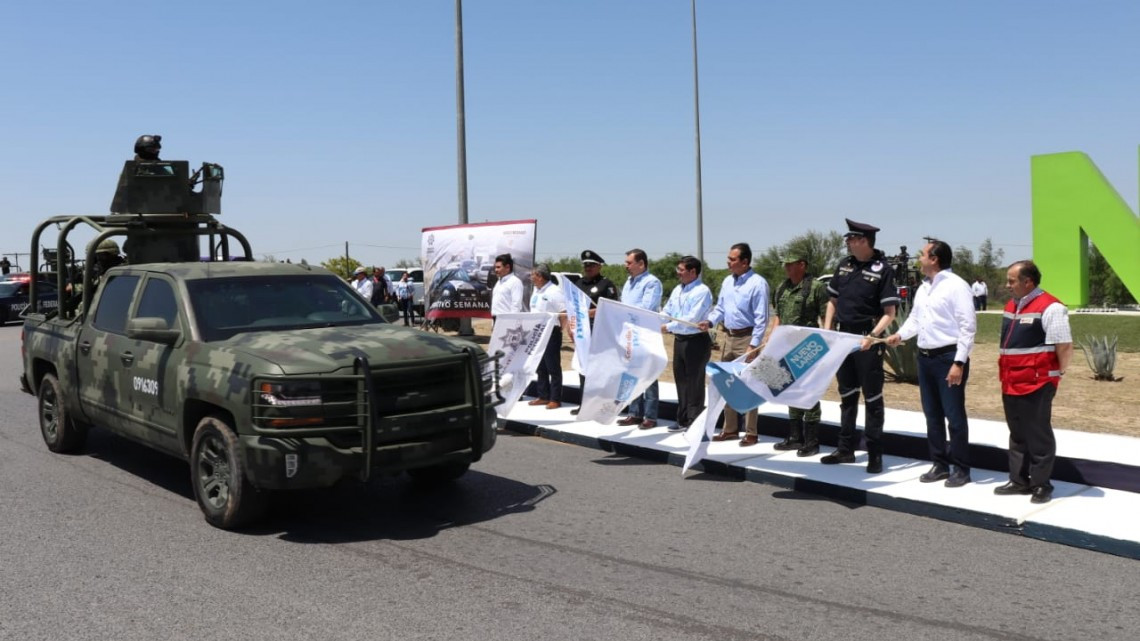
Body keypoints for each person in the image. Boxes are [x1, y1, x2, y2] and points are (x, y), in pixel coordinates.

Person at [886, 239, 976, 487]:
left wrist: (959, 362)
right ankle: (939, 464)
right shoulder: (924, 287)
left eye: (923, 254)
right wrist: (900, 335)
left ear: (934, 259)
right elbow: (915, 319)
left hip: (948, 357)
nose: (919, 258)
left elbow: (968, 327)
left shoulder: (957, 286)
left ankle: (961, 468)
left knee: (954, 416)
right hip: (925, 358)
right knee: (932, 415)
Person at [821, 219, 899, 472]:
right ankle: (845, 449)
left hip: (868, 340)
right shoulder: (844, 265)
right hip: (842, 339)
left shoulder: (883, 269)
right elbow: (833, 300)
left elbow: (890, 312)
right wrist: (828, 328)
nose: (847, 242)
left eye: (851, 238)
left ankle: (875, 453)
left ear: (863, 241)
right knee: (847, 394)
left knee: (873, 397)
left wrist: (872, 336)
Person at [994, 260, 1073, 504]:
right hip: (1011, 381)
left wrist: (1057, 374)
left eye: (1011, 280)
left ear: (1028, 282)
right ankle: (1019, 481)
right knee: (1017, 434)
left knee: (1038, 435)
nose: (1007, 285)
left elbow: (1064, 345)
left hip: (1037, 383)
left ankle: (1041, 485)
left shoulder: (1051, 307)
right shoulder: (1013, 305)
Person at [697, 242, 770, 446]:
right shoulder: (728, 282)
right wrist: (709, 321)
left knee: (750, 384)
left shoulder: (758, 283)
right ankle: (730, 429)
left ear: (745, 262)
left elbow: (761, 319)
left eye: (732, 259)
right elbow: (720, 308)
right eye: (729, 258)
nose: (728, 262)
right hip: (728, 337)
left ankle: (751, 432)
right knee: (726, 382)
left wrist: (753, 346)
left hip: (747, 339)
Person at [768, 252, 829, 456]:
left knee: (807, 390)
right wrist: (771, 339)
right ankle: (795, 437)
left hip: (808, 347)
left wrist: (827, 342)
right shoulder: (782, 288)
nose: (786, 267)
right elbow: (778, 316)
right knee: (789, 389)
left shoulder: (816, 287)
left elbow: (825, 316)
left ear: (802, 265)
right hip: (785, 347)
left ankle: (812, 441)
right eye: (784, 264)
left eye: (790, 264)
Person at [661, 256, 714, 432]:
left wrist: (668, 326)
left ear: (693, 272)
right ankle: (682, 418)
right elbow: (668, 310)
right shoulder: (678, 289)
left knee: (695, 382)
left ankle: (695, 420)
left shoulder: (702, 291)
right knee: (681, 380)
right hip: (680, 340)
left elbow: (691, 318)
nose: (678, 273)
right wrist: (658, 320)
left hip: (696, 341)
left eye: (681, 270)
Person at [617, 249, 664, 429]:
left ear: (641, 264)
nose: (626, 266)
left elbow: (646, 308)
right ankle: (634, 413)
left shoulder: (652, 283)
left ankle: (650, 416)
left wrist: (624, 311)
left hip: (645, 333)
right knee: (631, 373)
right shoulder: (629, 282)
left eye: (629, 262)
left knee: (649, 374)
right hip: (630, 333)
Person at [570, 249, 620, 416]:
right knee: (584, 369)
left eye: (591, 265)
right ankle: (585, 404)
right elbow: (572, 308)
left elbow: (613, 308)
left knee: (601, 370)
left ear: (599, 266)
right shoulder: (578, 284)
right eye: (586, 265)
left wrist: (595, 312)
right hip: (582, 332)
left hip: (600, 332)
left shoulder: (607, 285)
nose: (588, 268)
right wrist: (571, 328)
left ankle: (601, 405)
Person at [526, 264, 566, 410]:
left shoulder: (554, 291)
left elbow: (563, 312)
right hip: (538, 331)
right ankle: (543, 395)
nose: (531, 278)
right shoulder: (536, 291)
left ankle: (555, 398)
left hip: (551, 332)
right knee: (540, 365)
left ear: (540, 276)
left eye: (533, 275)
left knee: (552, 366)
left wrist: (561, 329)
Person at [490, 253, 524, 321]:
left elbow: (516, 305)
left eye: (498, 267)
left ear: (507, 267)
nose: (496, 270)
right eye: (495, 267)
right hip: (496, 319)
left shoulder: (515, 282)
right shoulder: (499, 281)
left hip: (506, 321)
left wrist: (511, 323)